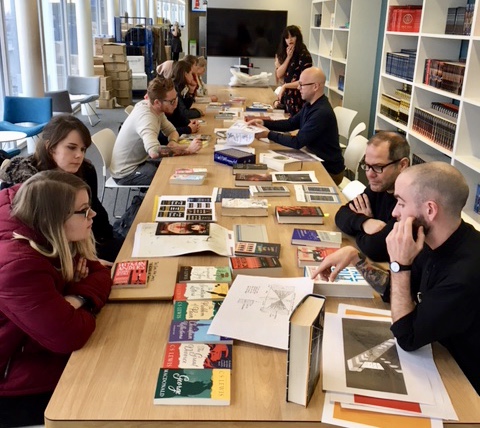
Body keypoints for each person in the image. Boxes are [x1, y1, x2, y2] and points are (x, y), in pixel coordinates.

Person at [312, 162, 480, 395]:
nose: (394, 213)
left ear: (430, 210)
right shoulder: (434, 239)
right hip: (437, 356)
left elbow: (407, 336)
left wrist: (400, 265)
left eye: (401, 203)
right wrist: (356, 259)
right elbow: (397, 291)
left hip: (464, 385)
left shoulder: (464, 274)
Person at [0, 170, 112, 426]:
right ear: (54, 218)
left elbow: (100, 272)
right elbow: (70, 336)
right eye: (84, 211)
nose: (93, 215)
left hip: (37, 344)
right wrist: (77, 295)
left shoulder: (43, 225)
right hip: (12, 379)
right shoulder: (17, 267)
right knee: (111, 391)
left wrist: (74, 299)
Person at [0, 114, 123, 262]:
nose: (79, 155)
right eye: (71, 148)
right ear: (50, 148)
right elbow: (34, 238)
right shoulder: (28, 187)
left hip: (93, 239)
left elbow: (95, 209)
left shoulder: (86, 170)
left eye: (83, 149)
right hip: (55, 255)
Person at [247, 67, 345, 185]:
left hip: (329, 170)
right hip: (314, 157)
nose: (298, 88)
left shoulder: (321, 112)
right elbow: (291, 123)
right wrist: (263, 122)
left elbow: (297, 142)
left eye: (302, 85)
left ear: (315, 86)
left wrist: (268, 134)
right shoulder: (310, 104)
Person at [110, 76, 202, 186]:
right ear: (157, 102)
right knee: (170, 176)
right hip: (126, 173)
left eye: (176, 98)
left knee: (175, 165)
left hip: (141, 161)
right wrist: (187, 149)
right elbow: (154, 152)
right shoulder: (146, 118)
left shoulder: (155, 108)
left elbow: (172, 131)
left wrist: (172, 141)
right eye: (172, 101)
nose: (176, 104)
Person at [335, 131, 410, 261]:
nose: (370, 174)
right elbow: (341, 215)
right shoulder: (379, 187)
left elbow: (375, 248)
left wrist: (359, 226)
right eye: (367, 165)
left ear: (402, 165)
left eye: (378, 167)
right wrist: (365, 222)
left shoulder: (410, 201)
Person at [275, 25, 312, 115]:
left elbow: (305, 80)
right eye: (287, 37)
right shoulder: (287, 52)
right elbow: (279, 74)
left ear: (297, 37)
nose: (290, 40)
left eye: (292, 36)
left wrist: (285, 86)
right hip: (287, 97)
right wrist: (288, 58)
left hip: (298, 97)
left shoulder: (304, 54)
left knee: (293, 121)